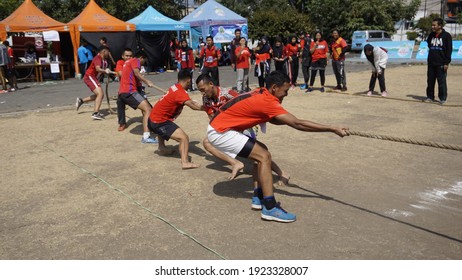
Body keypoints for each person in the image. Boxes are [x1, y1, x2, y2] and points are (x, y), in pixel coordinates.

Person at [207, 71, 349, 222]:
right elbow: (298, 123)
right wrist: (331, 128)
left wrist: (289, 121)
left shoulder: (262, 92)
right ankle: (270, 207)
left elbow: (273, 119)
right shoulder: (267, 102)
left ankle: (258, 196)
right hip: (220, 132)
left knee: (262, 151)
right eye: (285, 90)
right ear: (274, 87)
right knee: (264, 156)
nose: (286, 94)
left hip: (220, 128)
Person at [197, 73, 290, 184]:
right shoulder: (206, 99)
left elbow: (247, 106)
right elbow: (212, 118)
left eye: (203, 89)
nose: (202, 93)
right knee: (207, 142)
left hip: (246, 124)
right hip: (228, 127)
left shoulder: (228, 93)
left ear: (211, 84)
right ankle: (235, 163)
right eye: (200, 91)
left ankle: (281, 173)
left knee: (258, 153)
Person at [148, 69, 203, 169]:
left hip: (153, 118)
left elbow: (185, 100)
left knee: (165, 124)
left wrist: (189, 100)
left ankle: (162, 148)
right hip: (158, 122)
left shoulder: (175, 87)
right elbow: (192, 106)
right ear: (188, 81)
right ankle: (185, 162)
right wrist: (206, 108)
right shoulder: (180, 92)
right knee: (184, 138)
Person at [117, 50, 158, 144]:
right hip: (130, 92)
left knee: (146, 109)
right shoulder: (135, 61)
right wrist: (147, 81)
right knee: (148, 109)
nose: (143, 64)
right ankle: (146, 136)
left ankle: (150, 129)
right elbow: (136, 73)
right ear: (141, 58)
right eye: (144, 61)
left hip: (124, 92)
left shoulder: (127, 62)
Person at [75, 45, 111, 120]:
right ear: (104, 51)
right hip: (89, 76)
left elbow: (102, 70)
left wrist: (107, 72)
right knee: (100, 94)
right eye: (108, 52)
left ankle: (81, 101)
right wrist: (105, 71)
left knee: (99, 95)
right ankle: (95, 113)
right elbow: (98, 69)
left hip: (94, 78)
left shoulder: (104, 60)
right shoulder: (97, 58)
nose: (109, 53)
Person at [426, 17, 452, 105]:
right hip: (431, 62)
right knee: (430, 81)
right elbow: (429, 44)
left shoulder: (446, 36)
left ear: (440, 26)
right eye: (432, 25)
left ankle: (442, 98)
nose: (432, 27)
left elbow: (449, 50)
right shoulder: (431, 35)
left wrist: (446, 63)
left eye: (434, 25)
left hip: (441, 63)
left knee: (441, 82)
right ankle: (430, 96)